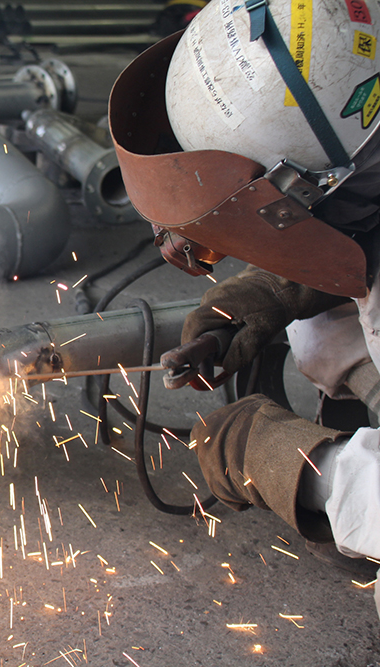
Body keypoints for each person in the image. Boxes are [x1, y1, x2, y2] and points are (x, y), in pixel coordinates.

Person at [109, 0, 380, 609]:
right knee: (323, 331)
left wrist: (284, 459)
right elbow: (363, 241)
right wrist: (249, 304)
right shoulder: (365, 152)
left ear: (314, 181)